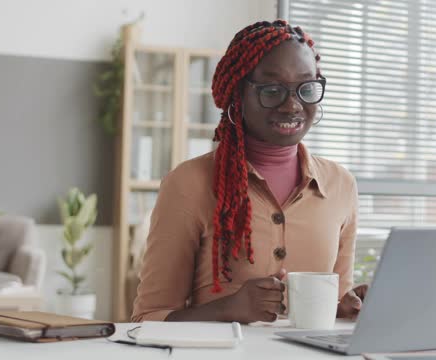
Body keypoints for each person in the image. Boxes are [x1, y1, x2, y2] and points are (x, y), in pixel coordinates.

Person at [132, 20, 367, 324]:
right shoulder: (188, 184)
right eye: (272, 90)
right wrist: (226, 309)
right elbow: (146, 320)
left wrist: (348, 308)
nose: (292, 105)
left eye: (306, 88)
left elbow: (333, 305)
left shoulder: (341, 185)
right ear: (238, 95)